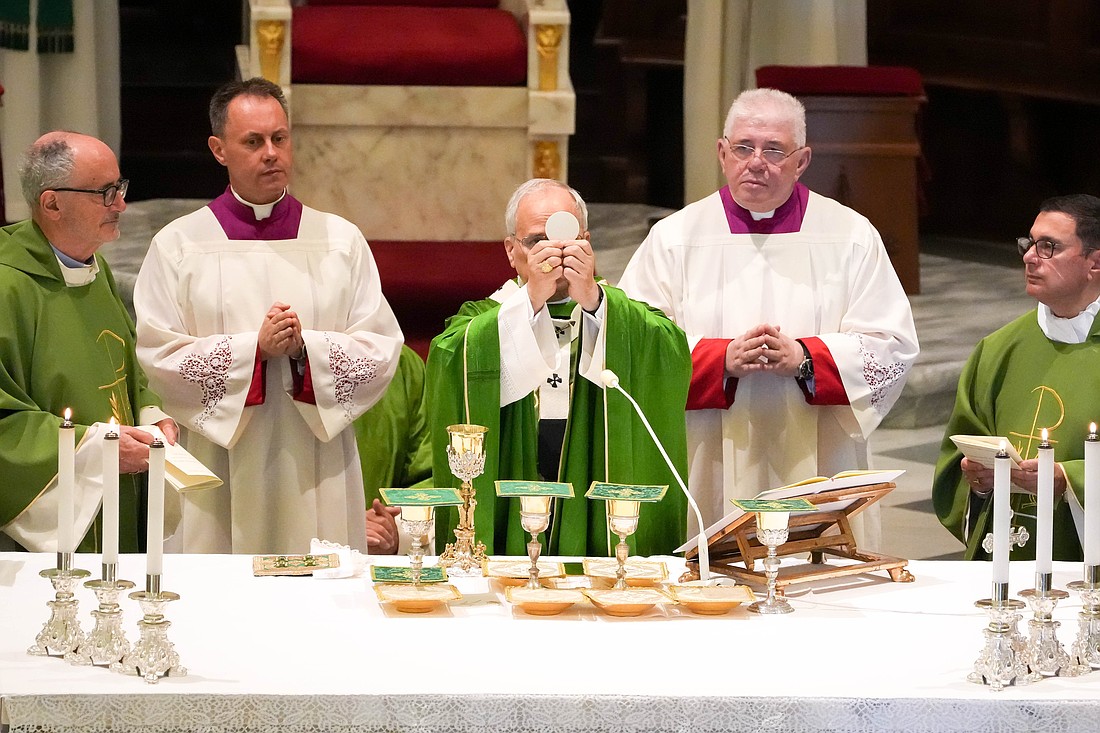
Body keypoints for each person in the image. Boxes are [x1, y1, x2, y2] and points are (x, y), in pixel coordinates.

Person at [617, 88, 919, 532]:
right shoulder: (674, 238)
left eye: (774, 150)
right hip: (706, 450)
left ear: (802, 160)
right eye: (743, 147)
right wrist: (719, 360)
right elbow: (633, 345)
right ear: (723, 153)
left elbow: (890, 348)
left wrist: (806, 358)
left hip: (817, 451)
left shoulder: (849, 236)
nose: (756, 161)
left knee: (813, 579)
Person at [134, 78, 403, 555]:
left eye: (280, 138)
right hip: (221, 463)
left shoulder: (340, 241)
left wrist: (307, 348)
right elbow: (158, 354)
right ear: (219, 149)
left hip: (317, 460)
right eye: (253, 142)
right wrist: (251, 350)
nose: (271, 153)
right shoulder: (179, 245)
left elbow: (380, 349)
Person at [427, 178, 691, 557]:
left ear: (587, 241)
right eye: (537, 241)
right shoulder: (482, 319)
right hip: (513, 471)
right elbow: (448, 357)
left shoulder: (624, 316)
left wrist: (598, 304)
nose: (555, 253)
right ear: (511, 251)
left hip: (594, 476)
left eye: (567, 240)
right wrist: (532, 297)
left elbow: (671, 353)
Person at [0, 132, 177, 552]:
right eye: (105, 193)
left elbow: (123, 371)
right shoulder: (8, 286)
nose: (121, 205)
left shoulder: (95, 273)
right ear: (52, 203)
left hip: (118, 502)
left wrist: (150, 413)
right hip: (47, 535)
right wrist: (98, 451)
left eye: (120, 188)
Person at [932, 195, 1100, 561]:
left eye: (1048, 247)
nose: (1028, 256)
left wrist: (1070, 480)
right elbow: (955, 461)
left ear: (1095, 262)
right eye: (1030, 243)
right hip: (1007, 561)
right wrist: (976, 480)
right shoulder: (998, 349)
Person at [353, 343, 433, 554]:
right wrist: (339, 527)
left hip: (376, 563)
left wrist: (392, 526)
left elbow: (427, 475)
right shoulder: (265, 358)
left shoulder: (400, 365)